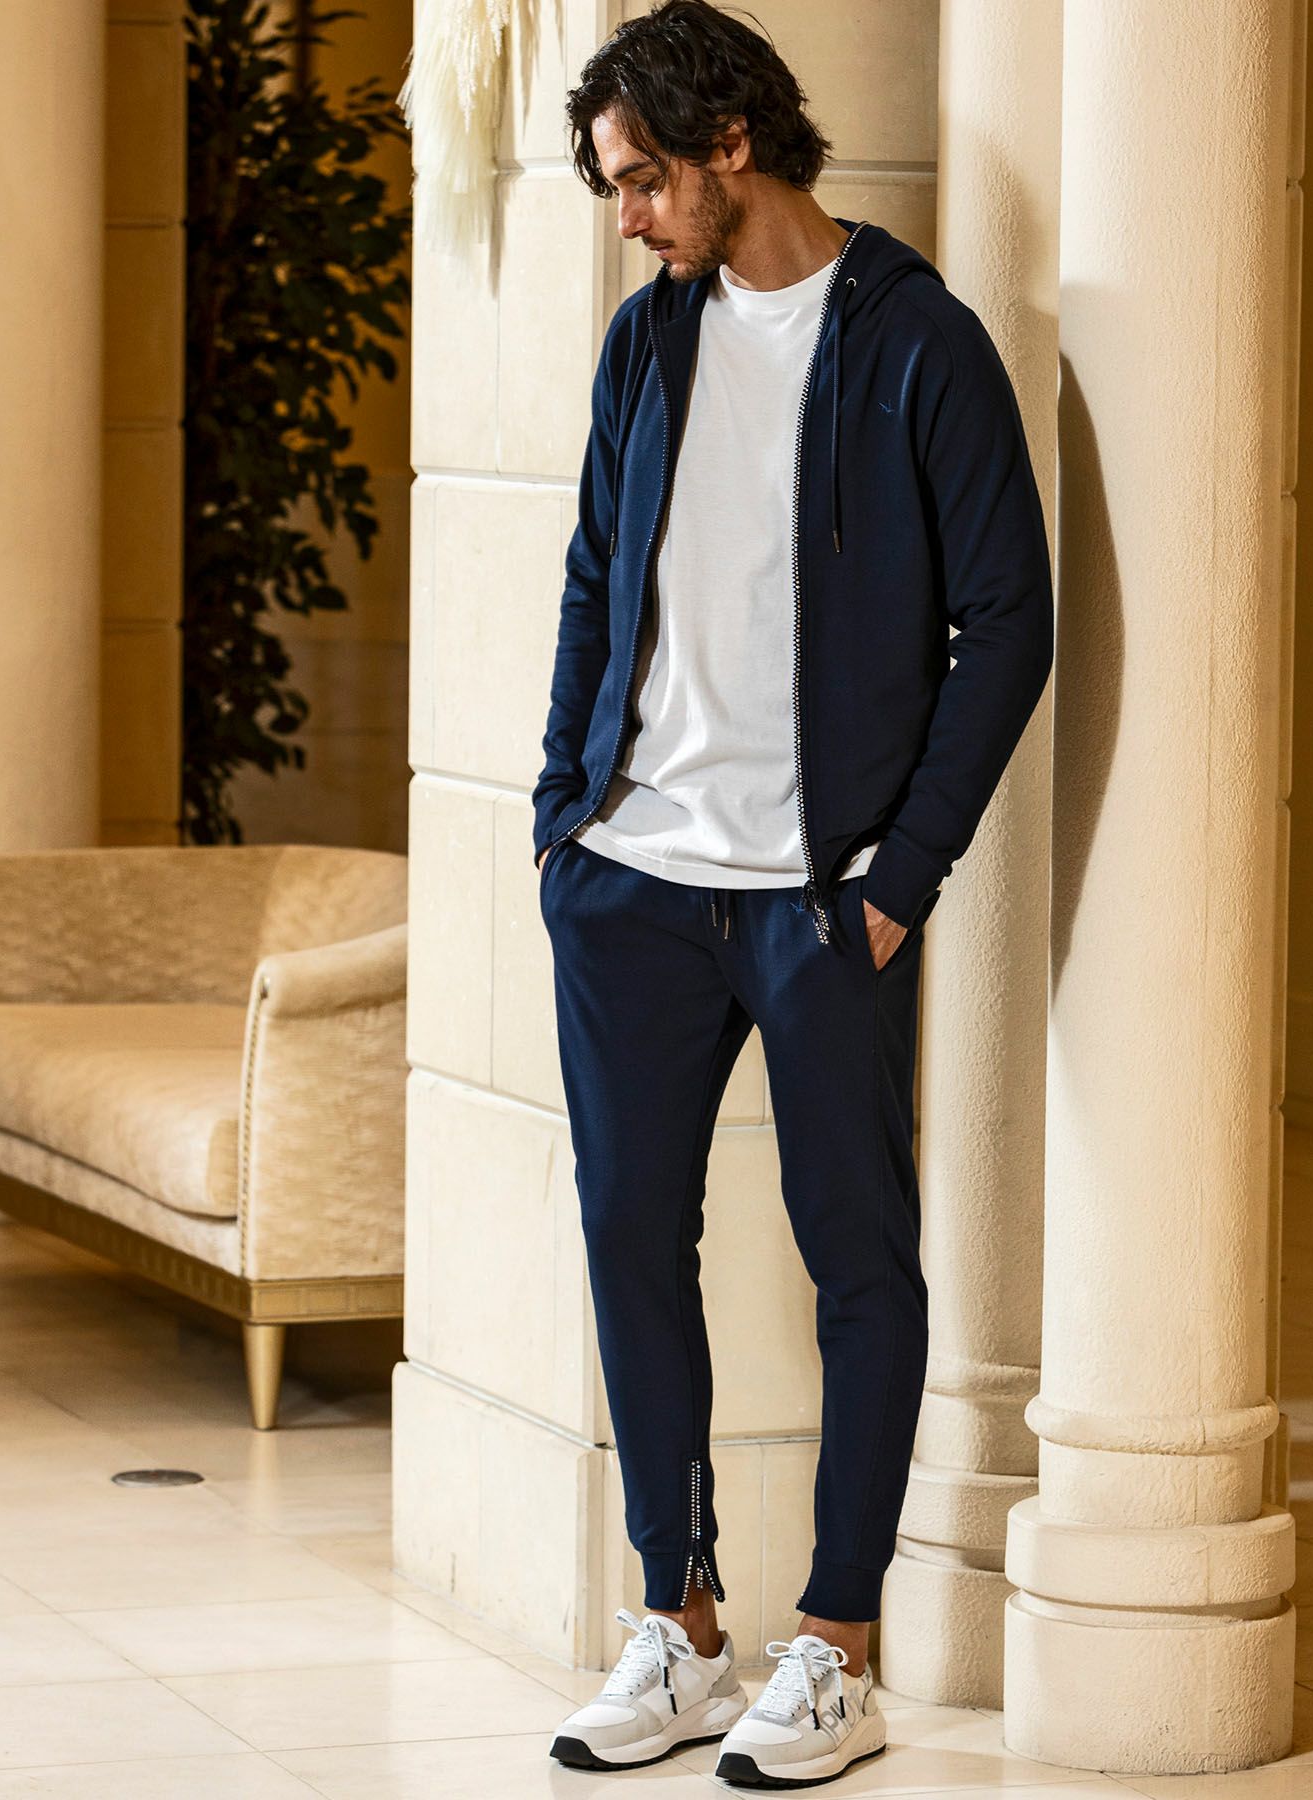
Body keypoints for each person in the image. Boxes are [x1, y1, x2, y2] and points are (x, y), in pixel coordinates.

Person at [535, 2, 1052, 1786]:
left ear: (731, 143)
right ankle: (678, 1626)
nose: (626, 218)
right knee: (628, 1238)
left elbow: (1011, 622)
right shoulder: (648, 341)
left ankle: (837, 1651)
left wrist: (901, 878)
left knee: (858, 1261)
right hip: (632, 885)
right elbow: (594, 577)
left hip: (819, 905)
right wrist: (564, 820)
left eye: (640, 181)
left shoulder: (916, 344)